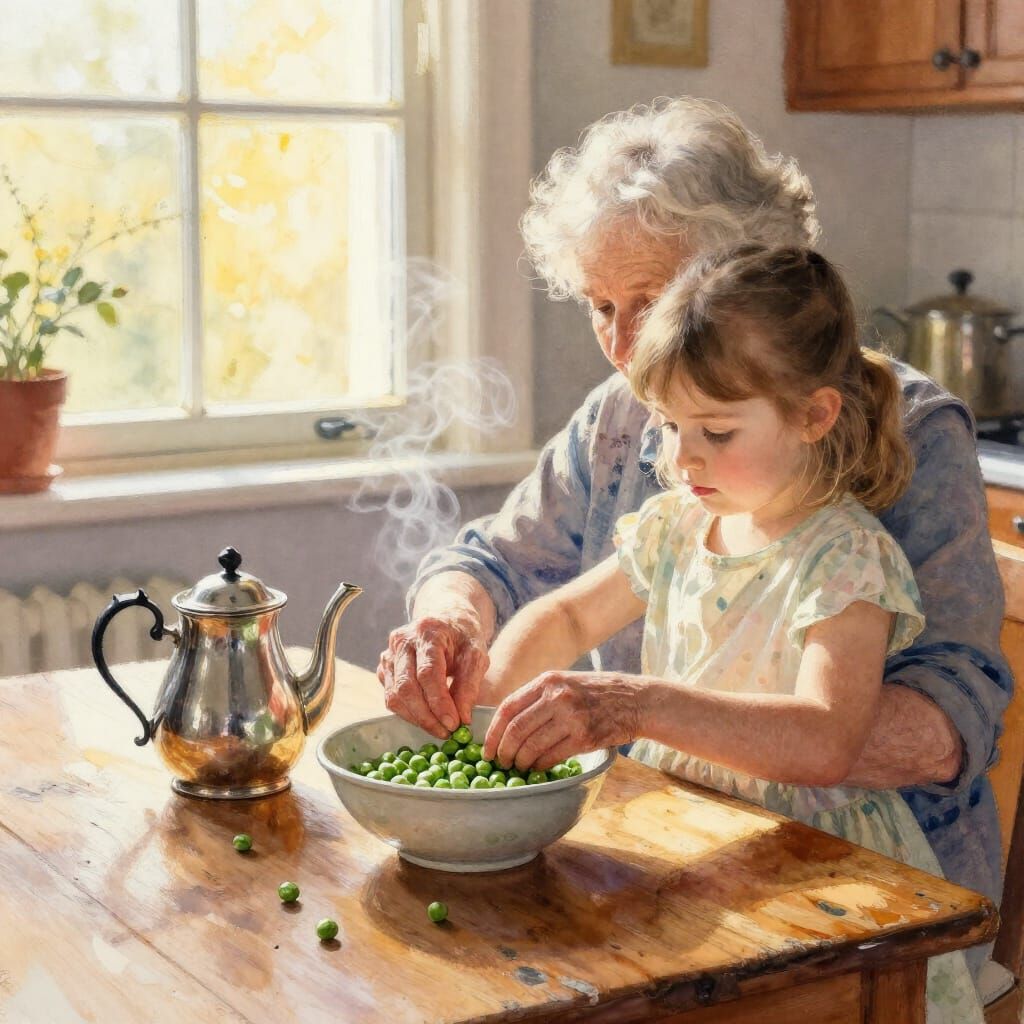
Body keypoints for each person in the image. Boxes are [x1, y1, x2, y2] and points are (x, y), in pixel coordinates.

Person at [377, 97, 1010, 992]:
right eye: (601, 303)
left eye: (654, 301)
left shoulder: (899, 449)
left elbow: (945, 725)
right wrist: (457, 651)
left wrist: (636, 713)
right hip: (681, 852)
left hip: (878, 895)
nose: (624, 341)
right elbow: (500, 569)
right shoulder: (634, 425)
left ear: (742, 281)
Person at [476, 243, 982, 1023]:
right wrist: (488, 705)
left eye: (715, 431)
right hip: (690, 844)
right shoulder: (682, 522)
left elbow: (825, 743)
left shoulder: (845, 557)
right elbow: (568, 615)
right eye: (671, 425)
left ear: (815, 415)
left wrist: (635, 705)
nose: (682, 457)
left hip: (815, 878)